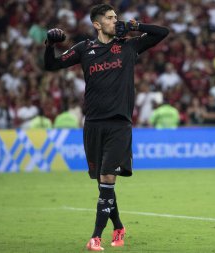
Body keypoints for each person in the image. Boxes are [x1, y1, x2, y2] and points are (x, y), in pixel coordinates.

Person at [44, 3, 169, 251]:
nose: (116, 21)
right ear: (97, 24)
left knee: (107, 178)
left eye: (116, 17)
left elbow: (162, 32)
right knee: (104, 186)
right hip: (93, 125)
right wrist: (50, 45)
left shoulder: (129, 45)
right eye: (110, 18)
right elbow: (52, 65)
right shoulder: (84, 49)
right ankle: (119, 227)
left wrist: (135, 26)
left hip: (119, 125)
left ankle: (95, 237)